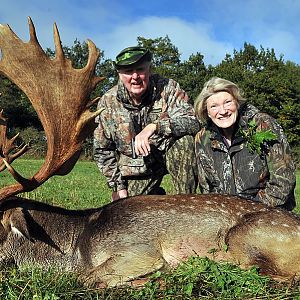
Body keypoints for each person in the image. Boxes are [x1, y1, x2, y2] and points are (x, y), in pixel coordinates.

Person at [94, 46, 200, 201]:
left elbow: (193, 121)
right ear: (119, 74)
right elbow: (102, 150)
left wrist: (155, 127)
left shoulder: (169, 88)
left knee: (185, 142)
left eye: (140, 69)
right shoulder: (107, 102)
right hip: (138, 167)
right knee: (130, 211)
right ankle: (157, 198)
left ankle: (184, 204)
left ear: (149, 69)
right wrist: (118, 187)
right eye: (128, 72)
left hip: (168, 153)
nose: (135, 76)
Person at [194, 77, 296, 210]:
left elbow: (284, 180)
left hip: (269, 212)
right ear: (206, 111)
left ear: (237, 102)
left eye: (227, 102)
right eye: (214, 106)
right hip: (226, 215)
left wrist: (249, 212)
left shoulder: (263, 124)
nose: (223, 111)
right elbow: (207, 189)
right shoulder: (202, 139)